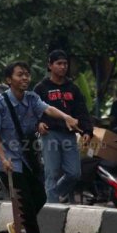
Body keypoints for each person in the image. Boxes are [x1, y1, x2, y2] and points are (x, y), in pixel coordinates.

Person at [0, 61, 81, 233]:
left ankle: (18, 224)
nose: (25, 78)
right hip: (9, 160)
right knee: (26, 201)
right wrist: (3, 158)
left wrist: (66, 117)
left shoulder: (31, 98)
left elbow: (47, 109)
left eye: (27, 74)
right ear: (8, 80)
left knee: (41, 195)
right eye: (20, 74)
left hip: (27, 155)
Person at [33, 50, 93, 203]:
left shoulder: (73, 88)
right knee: (52, 172)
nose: (63, 67)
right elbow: (32, 110)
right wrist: (38, 123)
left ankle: (51, 194)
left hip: (69, 135)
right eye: (59, 63)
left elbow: (82, 110)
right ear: (50, 65)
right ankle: (51, 208)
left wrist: (87, 130)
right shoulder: (41, 88)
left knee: (74, 173)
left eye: (65, 63)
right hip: (49, 134)